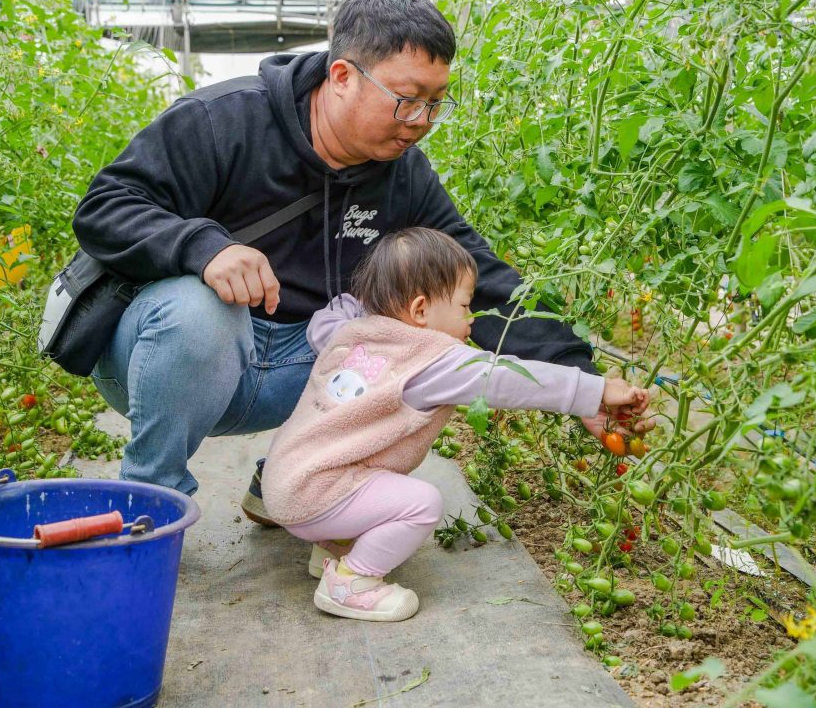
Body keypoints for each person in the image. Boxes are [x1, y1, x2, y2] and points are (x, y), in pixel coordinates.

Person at [72, 0, 654, 515]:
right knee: (197, 309)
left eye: (436, 103)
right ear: (344, 75)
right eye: (407, 99)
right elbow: (105, 206)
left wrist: (582, 382)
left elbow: (477, 279)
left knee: (427, 335)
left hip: (299, 367)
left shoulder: (403, 176)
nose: (421, 121)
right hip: (166, 364)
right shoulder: (222, 123)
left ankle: (298, 478)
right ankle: (149, 500)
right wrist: (204, 248)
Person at [260, 228, 650, 621]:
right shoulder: (430, 358)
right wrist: (596, 390)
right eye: (465, 306)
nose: (472, 318)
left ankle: (332, 548)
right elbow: (509, 378)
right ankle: (350, 582)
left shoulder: (346, 333)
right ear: (420, 311)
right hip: (315, 494)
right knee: (421, 504)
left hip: (283, 479)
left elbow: (332, 312)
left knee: (367, 475)